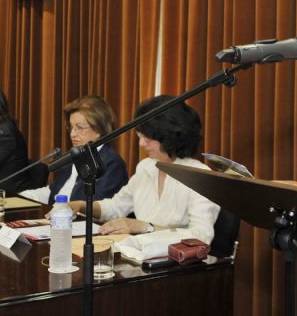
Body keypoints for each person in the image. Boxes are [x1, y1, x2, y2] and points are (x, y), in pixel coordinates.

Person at [67, 95, 220, 244]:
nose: (141, 144)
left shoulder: (200, 176)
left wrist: (145, 227)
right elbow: (115, 206)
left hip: (178, 264)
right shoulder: (146, 167)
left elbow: (201, 237)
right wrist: (80, 205)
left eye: (147, 138)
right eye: (140, 136)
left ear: (169, 136)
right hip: (139, 255)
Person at [20, 95, 128, 204]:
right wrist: (19, 197)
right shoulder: (73, 155)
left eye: (79, 128)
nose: (72, 134)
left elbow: (98, 207)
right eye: (71, 127)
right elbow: (53, 191)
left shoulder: (112, 164)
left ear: (98, 130)